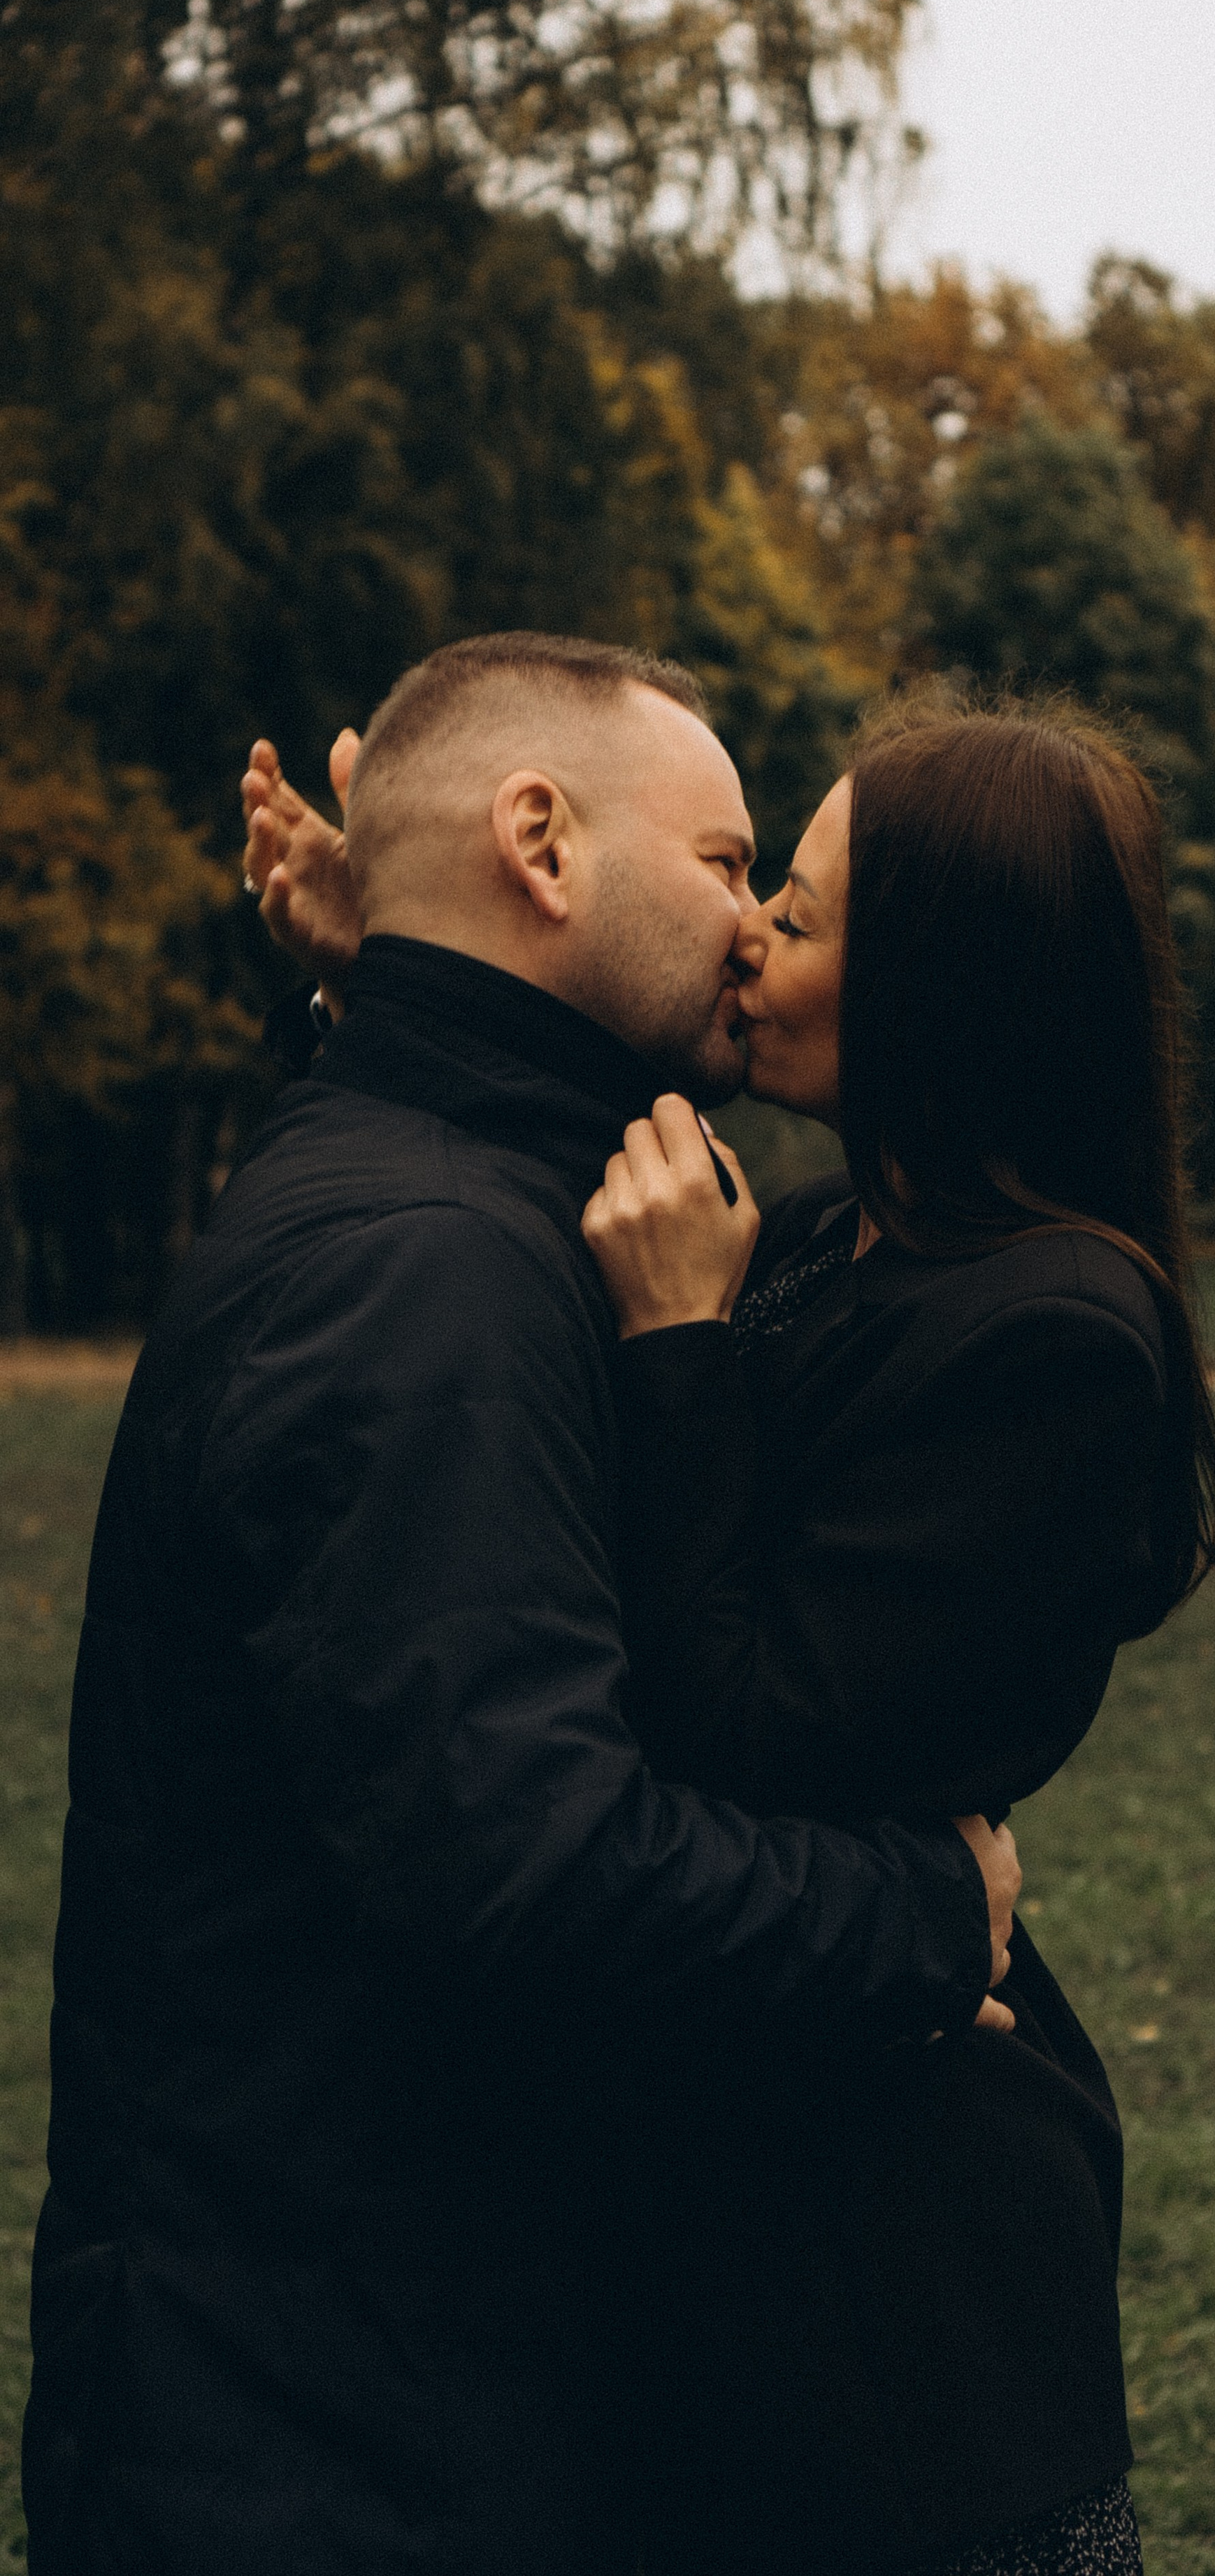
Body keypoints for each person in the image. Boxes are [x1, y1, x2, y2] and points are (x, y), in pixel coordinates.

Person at [23, 635, 1022, 2576]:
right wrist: (920, 1911)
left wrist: (381, 959)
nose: (754, 932)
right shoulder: (422, 1272)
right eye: (733, 863)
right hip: (339, 2456)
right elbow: (528, 1866)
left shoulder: (442, 1184)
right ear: (542, 843)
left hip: (369, 2396)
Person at [254, 691, 1215, 2575]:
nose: (751, 936)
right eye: (759, 883)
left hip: (908, 2288)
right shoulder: (808, 1244)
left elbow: (746, 1728)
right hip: (739, 2195)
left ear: (943, 982)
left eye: (803, 905)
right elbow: (533, 1202)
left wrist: (688, 1355)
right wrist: (395, 952)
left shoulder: (1054, 1335)